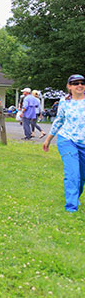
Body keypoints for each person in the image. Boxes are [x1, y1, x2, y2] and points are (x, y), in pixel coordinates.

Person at [42, 74, 85, 212]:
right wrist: (48, 139)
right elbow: (59, 120)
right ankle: (71, 207)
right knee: (73, 173)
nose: (79, 85)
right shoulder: (64, 102)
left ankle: (75, 198)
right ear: (69, 86)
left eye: (82, 82)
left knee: (81, 176)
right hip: (67, 140)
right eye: (75, 83)